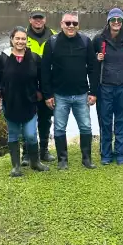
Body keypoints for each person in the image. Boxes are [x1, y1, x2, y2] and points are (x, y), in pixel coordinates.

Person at [41, 11, 99, 170]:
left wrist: (93, 92)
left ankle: (86, 159)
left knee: (86, 127)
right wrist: (48, 94)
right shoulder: (51, 43)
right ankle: (62, 160)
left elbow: (93, 69)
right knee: (59, 128)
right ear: (61, 24)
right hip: (60, 95)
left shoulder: (86, 42)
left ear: (78, 25)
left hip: (81, 94)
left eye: (74, 23)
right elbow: (45, 71)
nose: (71, 26)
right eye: (68, 23)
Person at [0, 26, 49, 177]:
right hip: (10, 103)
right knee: (13, 135)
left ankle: (35, 162)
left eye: (23, 39)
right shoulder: (3, 58)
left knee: (30, 135)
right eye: (17, 38)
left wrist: (41, 92)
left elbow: (43, 78)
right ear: (12, 40)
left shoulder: (35, 58)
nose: (20, 41)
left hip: (29, 102)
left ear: (27, 41)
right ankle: (16, 166)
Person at [92, 7, 123, 165]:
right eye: (113, 20)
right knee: (105, 121)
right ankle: (105, 154)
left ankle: (120, 154)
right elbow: (89, 56)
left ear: (122, 22)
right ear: (108, 22)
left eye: (119, 20)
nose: (116, 23)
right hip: (104, 87)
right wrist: (95, 57)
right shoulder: (99, 39)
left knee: (122, 120)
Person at [25, 10, 56, 163]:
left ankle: (43, 150)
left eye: (40, 18)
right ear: (30, 19)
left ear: (45, 19)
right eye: (35, 18)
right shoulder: (21, 35)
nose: (38, 21)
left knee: (45, 119)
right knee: (26, 118)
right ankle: (26, 153)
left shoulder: (55, 34)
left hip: (48, 85)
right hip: (28, 85)